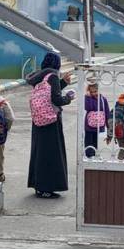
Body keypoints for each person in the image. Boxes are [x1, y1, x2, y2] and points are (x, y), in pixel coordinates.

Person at [26, 52, 74, 198]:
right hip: (51, 120)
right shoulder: (52, 76)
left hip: (38, 119)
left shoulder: (40, 77)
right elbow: (56, 99)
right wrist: (69, 98)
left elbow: (49, 93)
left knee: (39, 152)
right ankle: (47, 188)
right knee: (50, 154)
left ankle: (38, 185)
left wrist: (63, 82)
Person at [83, 78, 112, 158]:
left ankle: (94, 155)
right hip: (89, 126)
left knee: (95, 142)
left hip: (98, 125)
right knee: (88, 142)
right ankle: (89, 156)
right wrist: (88, 97)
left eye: (95, 91)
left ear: (99, 90)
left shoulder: (103, 99)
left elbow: (107, 113)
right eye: (91, 92)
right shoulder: (88, 98)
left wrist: (109, 128)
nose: (94, 93)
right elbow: (88, 107)